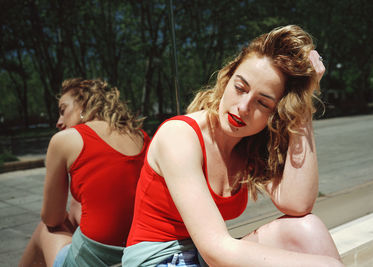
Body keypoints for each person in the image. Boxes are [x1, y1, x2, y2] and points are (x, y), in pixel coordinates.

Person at [122, 25, 343, 266]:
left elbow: (297, 204)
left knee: (307, 229)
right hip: (158, 260)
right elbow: (216, 251)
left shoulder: (249, 145)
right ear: (227, 79)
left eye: (263, 102)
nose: (244, 106)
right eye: (240, 88)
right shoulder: (179, 136)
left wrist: (303, 105)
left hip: (202, 255)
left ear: (277, 111)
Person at [19, 78, 150, 267]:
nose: (59, 122)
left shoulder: (64, 140)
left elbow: (51, 218)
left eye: (63, 111)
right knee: (75, 206)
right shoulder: (142, 135)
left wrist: (61, 217)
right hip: (138, 253)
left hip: (96, 261)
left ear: (84, 104)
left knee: (45, 230)